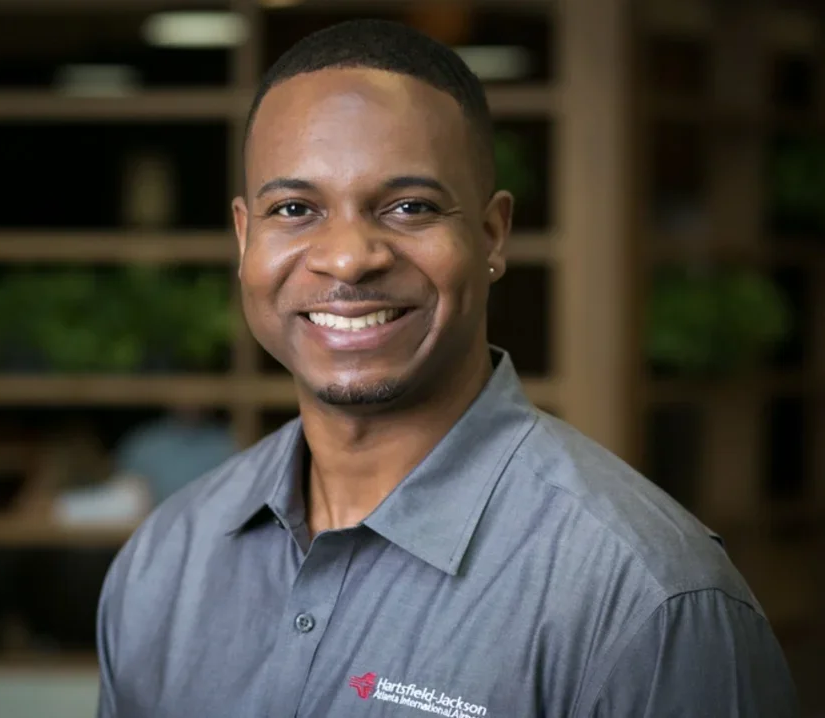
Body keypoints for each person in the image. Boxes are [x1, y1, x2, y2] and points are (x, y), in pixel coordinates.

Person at [95, 19, 799, 717]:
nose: (347, 257)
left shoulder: (646, 598)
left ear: (491, 235)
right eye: (296, 209)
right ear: (246, 238)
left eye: (409, 207)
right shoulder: (167, 560)